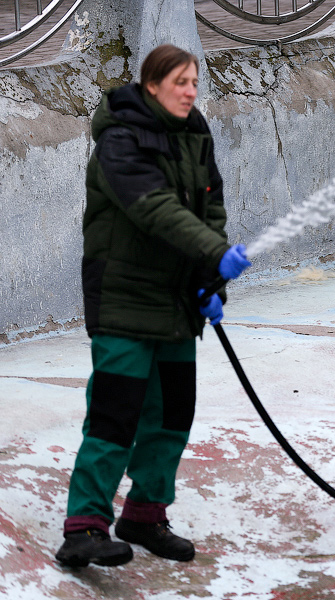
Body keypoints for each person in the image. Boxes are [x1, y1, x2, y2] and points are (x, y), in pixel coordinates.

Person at [55, 44, 252, 568]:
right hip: (124, 300)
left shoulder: (195, 132)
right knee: (114, 414)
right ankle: (84, 527)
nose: (190, 92)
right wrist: (214, 253)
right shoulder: (120, 140)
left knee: (171, 415)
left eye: (194, 82)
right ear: (151, 86)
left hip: (176, 303)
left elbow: (210, 206)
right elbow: (155, 209)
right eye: (180, 83)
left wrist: (211, 281)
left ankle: (145, 514)